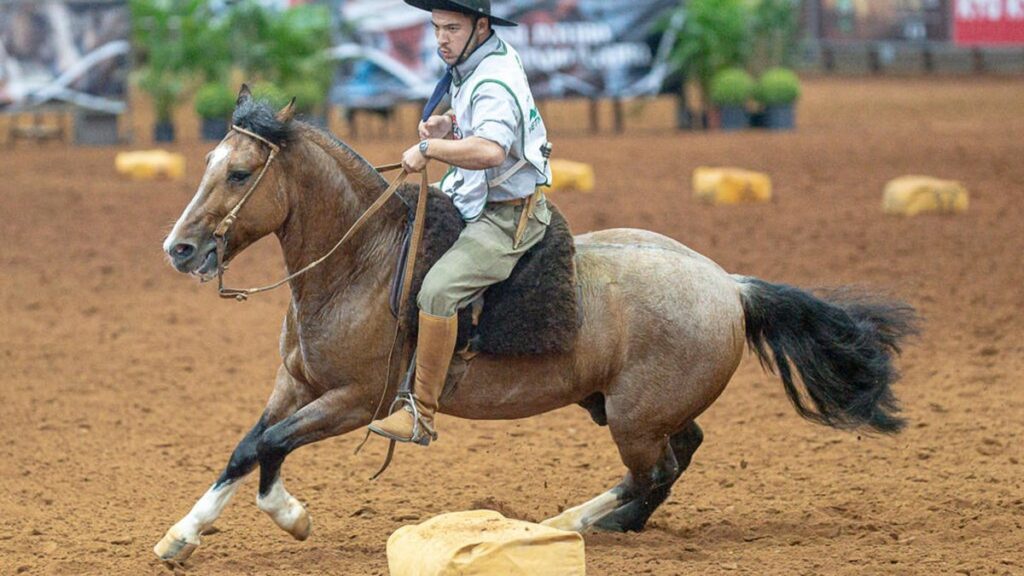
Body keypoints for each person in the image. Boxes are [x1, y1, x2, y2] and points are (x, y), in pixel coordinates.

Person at [368, 0, 552, 446]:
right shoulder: (482, 59)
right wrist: (450, 124)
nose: (440, 39)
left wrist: (430, 150)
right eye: (435, 28)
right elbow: (476, 121)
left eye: (451, 28)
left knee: (436, 291)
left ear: (481, 25)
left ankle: (420, 413)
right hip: (475, 196)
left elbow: (490, 150)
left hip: (507, 215)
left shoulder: (493, 79)